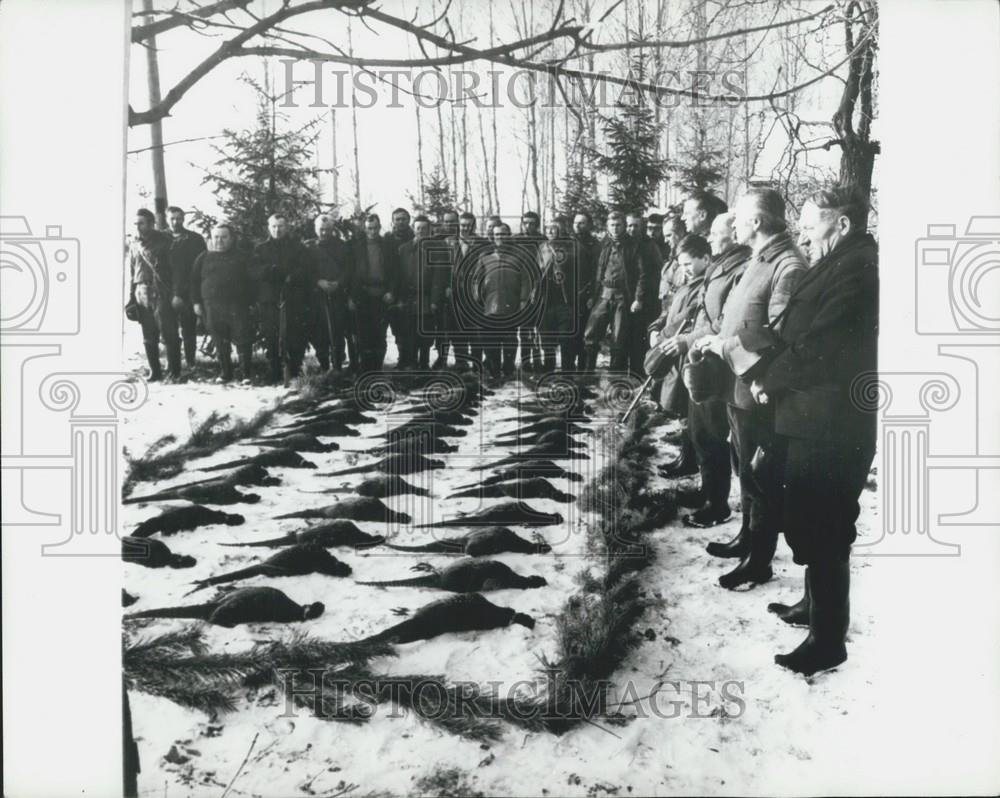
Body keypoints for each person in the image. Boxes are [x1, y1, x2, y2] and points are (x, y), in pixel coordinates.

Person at [751, 186, 878, 675]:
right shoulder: (837, 261)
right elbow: (796, 332)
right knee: (802, 510)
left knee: (825, 525)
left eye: (811, 222)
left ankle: (828, 640)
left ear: (841, 224)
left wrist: (767, 376)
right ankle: (812, 607)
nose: (802, 230)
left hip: (833, 424)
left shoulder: (859, 269)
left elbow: (821, 345)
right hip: (810, 416)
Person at [696, 188, 807, 590]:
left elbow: (778, 334)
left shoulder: (788, 265)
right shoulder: (759, 260)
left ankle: (758, 561)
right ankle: (747, 539)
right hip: (737, 386)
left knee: (760, 478)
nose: (735, 222)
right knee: (744, 469)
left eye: (740, 216)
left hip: (758, 389)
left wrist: (724, 346)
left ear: (757, 222)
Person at [677, 213, 752, 530]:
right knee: (700, 431)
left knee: (712, 434)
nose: (710, 239)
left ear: (733, 235)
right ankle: (708, 491)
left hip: (720, 361)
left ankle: (717, 504)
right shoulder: (723, 264)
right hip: (705, 357)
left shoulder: (741, 267)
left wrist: (692, 340)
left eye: (716, 233)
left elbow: (725, 320)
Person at [647, 234, 712, 428]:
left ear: (706, 259)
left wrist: (662, 335)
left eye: (689, 265)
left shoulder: (704, 287)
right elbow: (668, 310)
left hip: (681, 348)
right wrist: (655, 327)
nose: (685, 270)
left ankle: (686, 445)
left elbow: (687, 317)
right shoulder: (685, 282)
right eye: (682, 265)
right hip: (669, 344)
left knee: (684, 405)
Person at [583, 211, 658, 375]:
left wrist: (638, 298)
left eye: (618, 225)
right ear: (607, 227)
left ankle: (614, 376)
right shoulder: (603, 245)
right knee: (591, 332)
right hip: (603, 294)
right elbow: (596, 272)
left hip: (623, 296)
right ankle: (588, 372)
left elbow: (642, 275)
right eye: (612, 225)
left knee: (618, 337)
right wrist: (592, 296)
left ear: (624, 226)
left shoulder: (634, 246)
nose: (615, 228)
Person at [251, 213, 314, 385]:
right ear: (268, 227)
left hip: (293, 299)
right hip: (269, 301)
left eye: (281, 226)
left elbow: (306, 269)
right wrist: (272, 271)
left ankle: (294, 371)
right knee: (271, 336)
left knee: (295, 336)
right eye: (274, 226)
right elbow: (254, 271)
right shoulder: (260, 249)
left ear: (287, 227)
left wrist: (292, 277)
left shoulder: (298, 248)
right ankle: (274, 372)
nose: (277, 230)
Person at [190, 224, 252, 383]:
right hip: (212, 307)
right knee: (219, 340)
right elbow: (194, 282)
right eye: (216, 237)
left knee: (242, 339)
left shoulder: (242, 257)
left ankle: (246, 375)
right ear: (211, 239)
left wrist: (251, 303)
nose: (220, 241)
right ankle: (226, 373)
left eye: (224, 237)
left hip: (237, 306)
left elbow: (252, 281)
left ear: (231, 239)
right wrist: (196, 302)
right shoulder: (203, 257)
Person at [127, 208, 180, 382]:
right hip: (141, 292)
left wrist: (176, 294)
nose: (138, 227)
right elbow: (132, 273)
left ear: (151, 224)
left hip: (161, 292)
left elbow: (176, 271)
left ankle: (174, 372)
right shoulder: (134, 244)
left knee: (169, 334)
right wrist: (131, 299)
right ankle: (155, 372)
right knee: (149, 337)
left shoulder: (165, 242)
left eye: (141, 223)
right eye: (136, 223)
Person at [473, 222, 531, 379]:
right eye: (497, 234)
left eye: (504, 234)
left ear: (509, 235)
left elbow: (526, 279)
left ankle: (509, 369)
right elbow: (477, 280)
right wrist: (476, 297)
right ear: (493, 237)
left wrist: (524, 299)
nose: (500, 238)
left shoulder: (519, 256)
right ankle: (494, 370)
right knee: (490, 338)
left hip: (511, 303)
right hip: (489, 304)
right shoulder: (485, 257)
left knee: (509, 338)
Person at [350, 214, 399, 372]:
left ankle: (377, 368)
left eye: (375, 228)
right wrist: (352, 296)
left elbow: (395, 272)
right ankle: (365, 369)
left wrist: (391, 291)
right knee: (363, 335)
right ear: (365, 229)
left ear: (379, 228)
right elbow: (351, 274)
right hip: (363, 296)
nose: (372, 231)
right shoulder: (356, 246)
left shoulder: (387, 246)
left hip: (382, 295)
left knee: (380, 334)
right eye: (369, 228)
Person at [307, 214, 355, 373]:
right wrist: (318, 281)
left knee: (338, 330)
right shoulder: (310, 248)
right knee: (318, 332)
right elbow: (305, 271)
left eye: (327, 229)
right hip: (316, 296)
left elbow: (348, 269)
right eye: (321, 229)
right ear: (315, 229)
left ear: (333, 229)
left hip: (337, 295)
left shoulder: (342, 247)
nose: (324, 233)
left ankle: (338, 365)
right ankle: (324, 364)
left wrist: (338, 283)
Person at [166, 206, 207, 369]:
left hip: (188, 288)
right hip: (166, 289)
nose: (175, 222)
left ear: (183, 219)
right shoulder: (161, 238)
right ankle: (172, 363)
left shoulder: (195, 239)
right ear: (167, 219)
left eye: (179, 218)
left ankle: (190, 361)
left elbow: (200, 266)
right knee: (168, 327)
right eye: (172, 219)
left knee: (188, 327)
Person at [537, 216, 580, 371]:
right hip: (547, 298)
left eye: (554, 228)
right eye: (547, 228)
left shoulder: (571, 246)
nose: (550, 231)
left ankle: (567, 369)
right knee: (547, 336)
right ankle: (548, 367)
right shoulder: (542, 247)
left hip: (565, 298)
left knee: (566, 336)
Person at [395, 215, 437, 369]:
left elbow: (438, 278)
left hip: (426, 298)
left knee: (425, 334)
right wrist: (399, 298)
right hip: (408, 298)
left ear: (429, 230)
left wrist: (434, 300)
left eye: (424, 229)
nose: (421, 231)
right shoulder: (404, 249)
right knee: (409, 333)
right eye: (418, 228)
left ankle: (424, 364)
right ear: (413, 229)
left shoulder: (436, 250)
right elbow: (398, 276)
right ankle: (411, 364)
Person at [513, 211, 546, 371]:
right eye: (526, 223)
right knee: (524, 327)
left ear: (537, 225)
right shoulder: (515, 240)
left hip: (540, 287)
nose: (528, 226)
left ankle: (538, 360)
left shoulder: (543, 241)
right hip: (520, 289)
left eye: (532, 223)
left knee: (539, 327)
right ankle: (526, 361)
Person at [429, 209, 461, 368]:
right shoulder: (436, 241)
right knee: (442, 327)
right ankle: (442, 358)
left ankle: (461, 360)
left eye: (453, 221)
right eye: (446, 222)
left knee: (459, 326)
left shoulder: (464, 239)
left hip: (460, 291)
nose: (449, 225)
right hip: (441, 290)